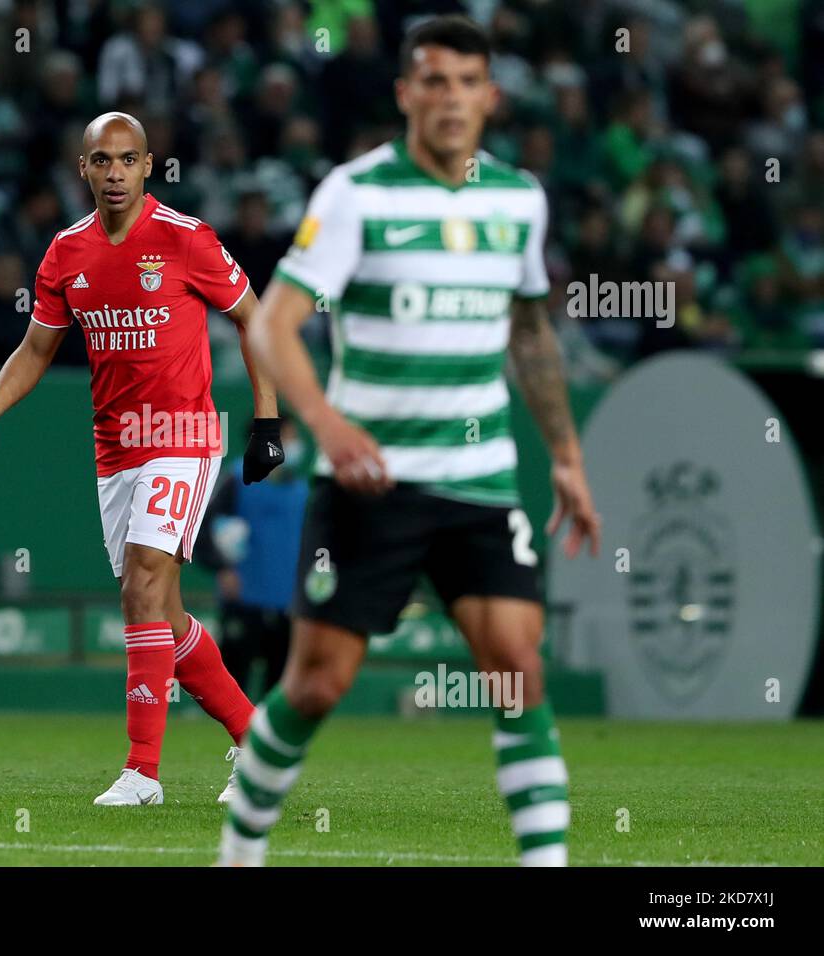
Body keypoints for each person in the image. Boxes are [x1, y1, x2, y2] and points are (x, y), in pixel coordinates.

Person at [218, 15, 602, 867]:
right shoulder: (355, 195)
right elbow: (275, 326)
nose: (451, 98)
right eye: (433, 80)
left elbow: (530, 334)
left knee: (516, 669)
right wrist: (323, 420)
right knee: (317, 684)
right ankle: (240, 849)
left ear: (491, 97)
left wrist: (567, 459)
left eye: (468, 82)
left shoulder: (518, 199)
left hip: (480, 482)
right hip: (372, 483)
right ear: (405, 94)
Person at [0, 111, 283, 806]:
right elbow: (36, 348)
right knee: (160, 614)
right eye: (101, 161)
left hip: (183, 435)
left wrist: (266, 418)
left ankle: (143, 772)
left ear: (147, 166)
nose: (114, 173)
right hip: (115, 450)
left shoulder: (186, 238)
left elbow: (254, 316)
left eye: (127, 160)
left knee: (140, 583)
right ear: (84, 169)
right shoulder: (66, 253)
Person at [196, 414, 308, 699]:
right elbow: (200, 529)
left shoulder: (302, 491)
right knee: (233, 681)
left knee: (281, 685)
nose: (296, 445)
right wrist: (222, 568)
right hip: (244, 598)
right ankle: (230, 736)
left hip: (288, 603)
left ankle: (267, 741)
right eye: (290, 438)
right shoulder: (235, 480)